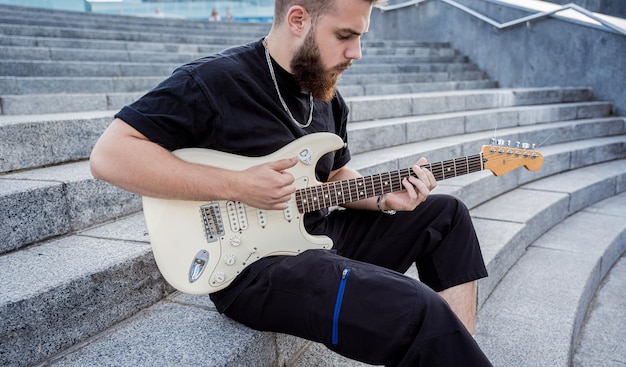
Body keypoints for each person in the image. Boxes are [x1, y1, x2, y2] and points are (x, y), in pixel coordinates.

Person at [89, 0, 492, 364]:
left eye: (360, 37)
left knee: (447, 214)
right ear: (298, 19)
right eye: (345, 36)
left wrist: (385, 198)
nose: (357, 53)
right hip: (253, 269)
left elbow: (335, 176)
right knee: (414, 309)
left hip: (317, 237)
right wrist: (236, 185)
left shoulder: (327, 97)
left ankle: (455, 351)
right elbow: (110, 155)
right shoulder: (214, 81)